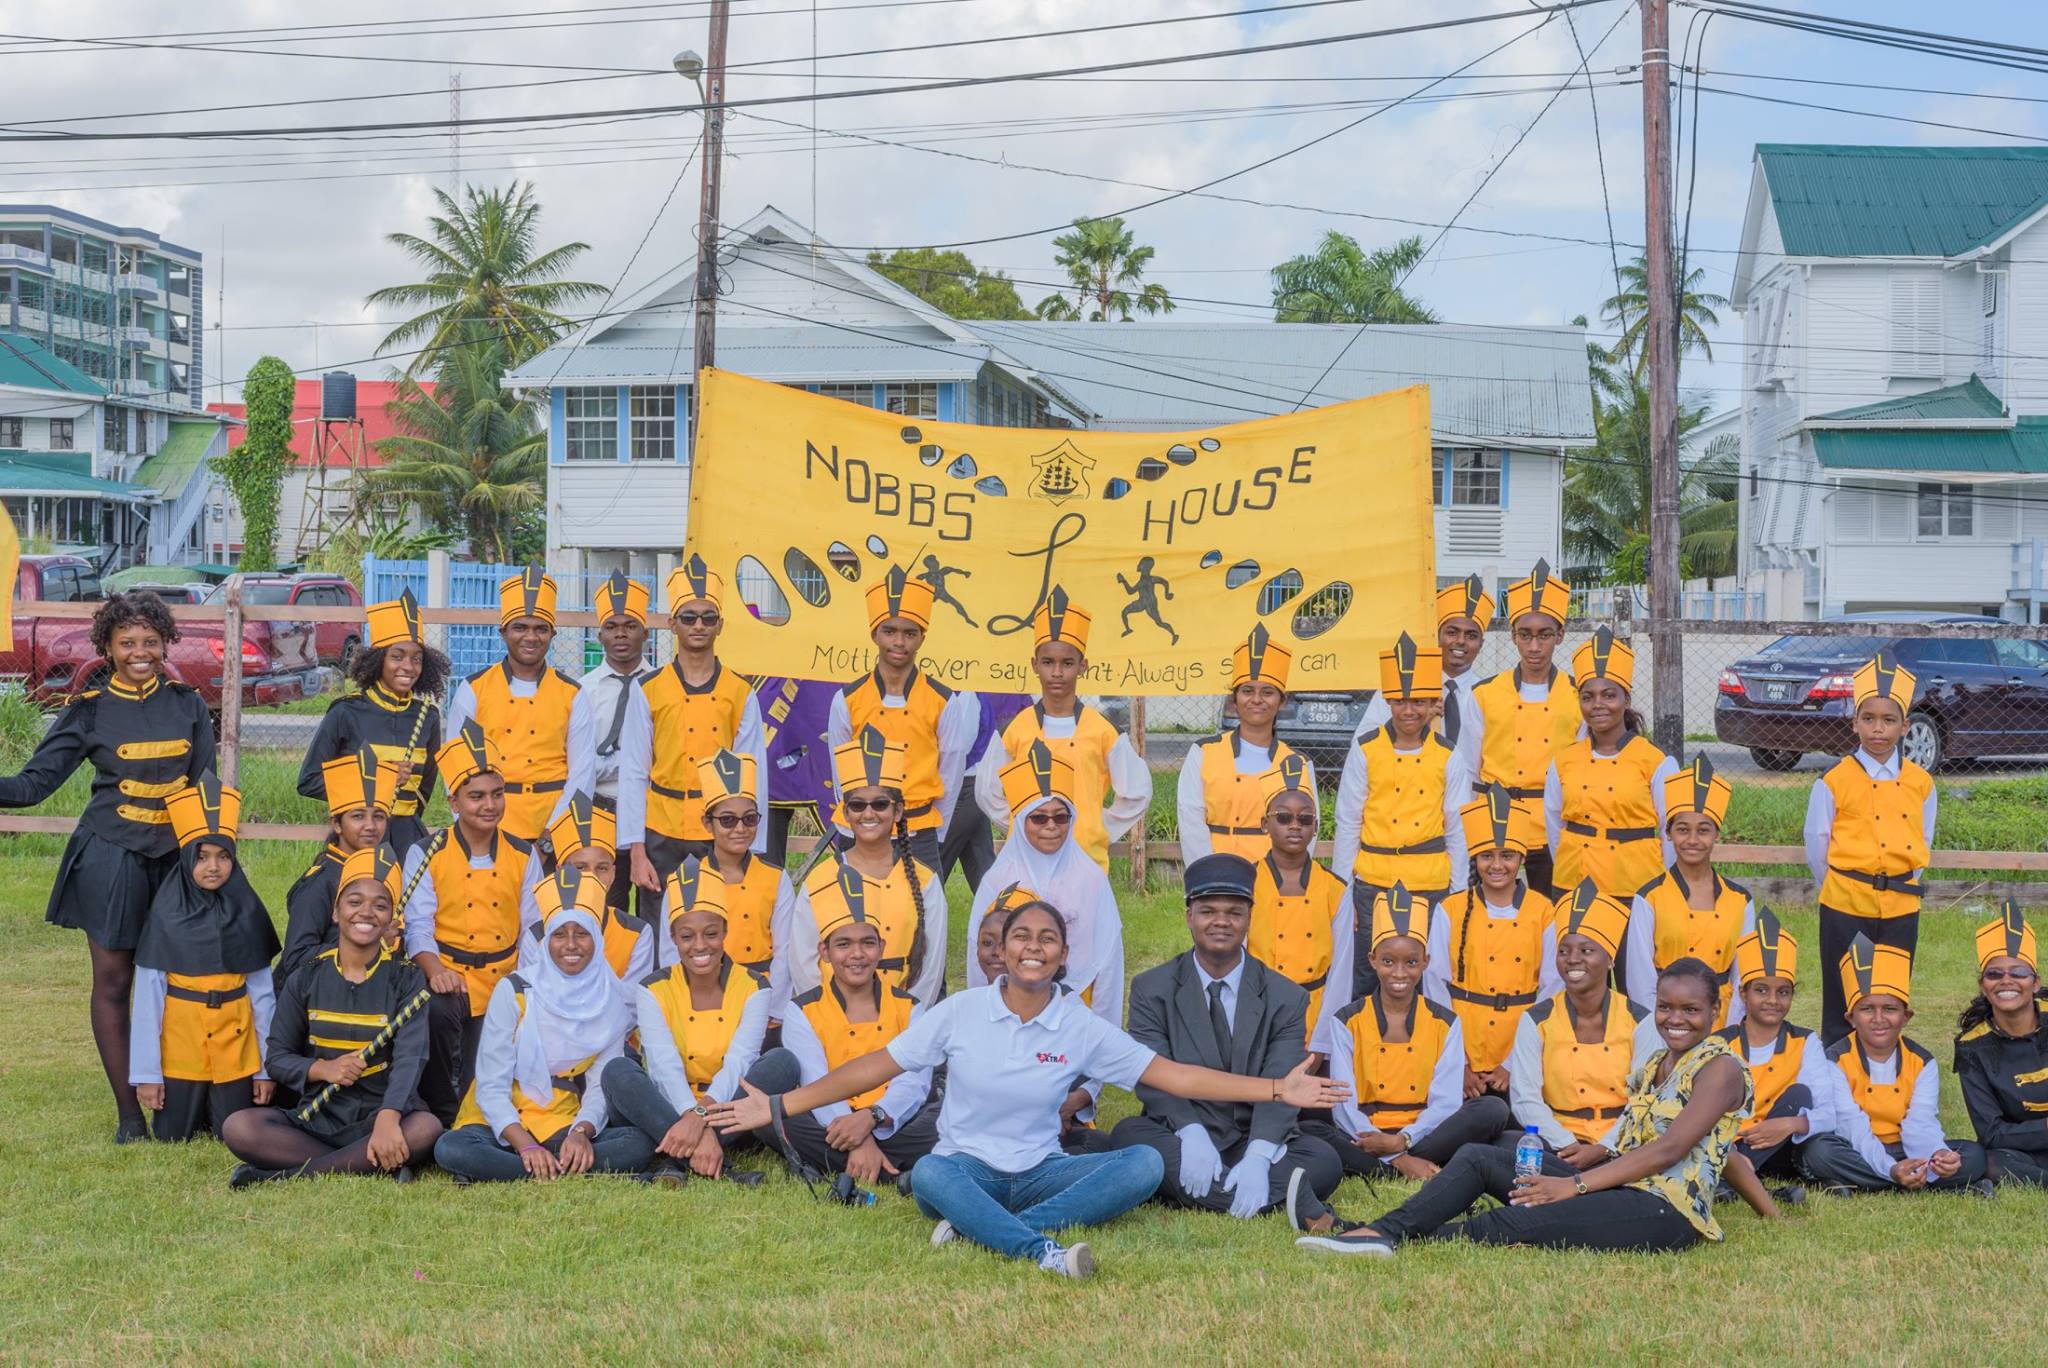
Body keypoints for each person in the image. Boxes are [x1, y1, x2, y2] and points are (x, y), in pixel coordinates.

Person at [709, 898, 1349, 1280]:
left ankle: (978, 1230)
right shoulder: (960, 1011)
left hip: (1043, 1170)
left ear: (1062, 956)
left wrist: (1276, 1088)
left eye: (1047, 939)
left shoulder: (1077, 1022)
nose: (1033, 947)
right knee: (930, 1175)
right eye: (1022, 936)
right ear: (1002, 952)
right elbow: (872, 1068)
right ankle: (1040, 1251)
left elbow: (1172, 1075)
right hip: (967, 1168)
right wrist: (777, 1105)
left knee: (1145, 1163)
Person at [1295, 958, 1767, 1255]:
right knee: (1480, 1158)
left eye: (1690, 1011)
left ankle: (1366, 1236)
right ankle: (1378, 1232)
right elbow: (1729, 1157)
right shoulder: (1659, 1062)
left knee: (1516, 1220)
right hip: (1619, 1182)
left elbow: (1670, 1149)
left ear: (1716, 1010)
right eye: (1666, 1007)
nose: (1674, 1019)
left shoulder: (1721, 1068)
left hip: (1664, 1213)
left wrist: (1574, 1186)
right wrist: (1773, 1215)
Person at [0, 590, 214, 1142]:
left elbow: (205, 785)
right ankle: (128, 1115)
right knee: (115, 981)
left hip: (177, 859)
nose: (139, 652)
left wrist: (209, 854)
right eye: (127, 643)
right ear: (109, 647)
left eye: (149, 641)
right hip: (111, 857)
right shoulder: (88, 710)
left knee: (181, 979)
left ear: (165, 642)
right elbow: (32, 786)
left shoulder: (189, 704)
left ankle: (183, 1101)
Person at [1112, 853, 1343, 1225]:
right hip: (1182, 1131)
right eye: (1208, 911)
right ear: (1189, 916)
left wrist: (1258, 1155)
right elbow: (1151, 1076)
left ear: (1249, 918)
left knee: (1325, 1159)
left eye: (1234, 912)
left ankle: (1203, 1191)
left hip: (1253, 1134)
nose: (1221, 921)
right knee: (1128, 1137)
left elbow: (1286, 1082)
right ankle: (1274, 1197)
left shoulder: (1286, 996)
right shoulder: (1151, 989)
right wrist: (1191, 1133)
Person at [222, 846, 444, 1187]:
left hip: (381, 1112)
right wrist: (323, 1069)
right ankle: (372, 1161)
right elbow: (278, 1057)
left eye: (380, 904)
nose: (366, 912)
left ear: (391, 919)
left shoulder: (407, 978)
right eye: (354, 901)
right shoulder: (307, 976)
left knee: (426, 1128)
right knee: (238, 1127)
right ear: (336, 912)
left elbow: (410, 1059)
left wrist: (388, 1117)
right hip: (320, 1116)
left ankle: (285, 1176)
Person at [434, 899, 655, 1182]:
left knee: (638, 1142)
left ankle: (530, 1168)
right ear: (547, 942)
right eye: (560, 934)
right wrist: (524, 1144)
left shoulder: (611, 1000)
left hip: (558, 1119)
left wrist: (580, 1133)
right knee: (451, 1147)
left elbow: (600, 1085)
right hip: (496, 1119)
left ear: (597, 940)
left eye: (582, 934)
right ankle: (550, 1167)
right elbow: (490, 1084)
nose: (571, 945)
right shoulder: (514, 990)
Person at [605, 858, 797, 1184]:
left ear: (725, 931)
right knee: (618, 1070)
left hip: (730, 1107)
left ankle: (673, 1157)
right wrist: (692, 1116)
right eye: (687, 936)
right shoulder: (652, 989)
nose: (700, 946)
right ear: (673, 938)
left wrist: (700, 1115)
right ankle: (709, 1153)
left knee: (782, 1062)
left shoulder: (755, 987)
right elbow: (664, 1066)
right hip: (669, 1101)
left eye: (710, 934)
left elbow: (740, 1062)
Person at [1306, 886, 1512, 1183]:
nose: (1399, 974)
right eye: (1388, 962)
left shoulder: (1446, 1022)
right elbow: (1343, 1106)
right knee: (1309, 1126)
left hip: (1425, 1132)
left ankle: (1386, 1165)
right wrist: (1396, 1153)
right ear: (1372, 959)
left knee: (1492, 1110)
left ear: (1425, 962)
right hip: (1366, 1133)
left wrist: (1402, 1141)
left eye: (1411, 963)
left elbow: (1445, 1103)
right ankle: (1405, 1165)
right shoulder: (1346, 1021)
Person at [402, 722, 546, 1123]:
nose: (489, 805)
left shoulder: (523, 854)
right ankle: (438, 1116)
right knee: (436, 1017)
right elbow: (418, 925)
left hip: (503, 978)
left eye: (497, 795)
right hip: (448, 977)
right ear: (453, 801)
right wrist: (436, 972)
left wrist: (522, 986)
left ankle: (470, 1120)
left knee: (484, 1074)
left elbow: (534, 928)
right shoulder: (427, 851)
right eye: (476, 796)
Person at [129, 775, 280, 1142]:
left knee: (234, 1131)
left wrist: (263, 1070)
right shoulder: (164, 916)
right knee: (172, 1135)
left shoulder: (248, 912)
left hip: (236, 1048)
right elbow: (149, 1002)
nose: (213, 867)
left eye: (223, 856)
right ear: (185, 858)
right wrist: (148, 1075)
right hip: (182, 1050)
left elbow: (262, 997)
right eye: (202, 856)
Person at [621, 557, 768, 918]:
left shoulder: (740, 692)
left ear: (721, 625)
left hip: (720, 829)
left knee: (718, 923)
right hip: (661, 829)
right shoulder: (648, 689)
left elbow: (754, 774)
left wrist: (753, 845)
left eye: (708, 617)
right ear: (672, 624)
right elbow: (634, 771)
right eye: (689, 617)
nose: (698, 625)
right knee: (659, 925)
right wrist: (636, 851)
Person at [1329, 633, 1469, 1004]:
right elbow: (1348, 822)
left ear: (1432, 704)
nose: (1410, 711)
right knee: (1367, 973)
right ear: (1390, 701)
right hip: (1373, 882)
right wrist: (1346, 892)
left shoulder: (1449, 755)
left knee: (1429, 975)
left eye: (1420, 702)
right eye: (1402, 701)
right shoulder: (1365, 749)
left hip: (1431, 883)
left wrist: (1458, 893)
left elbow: (1457, 829)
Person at [1803, 652, 1935, 1046]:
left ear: (1905, 726)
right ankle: (1837, 1064)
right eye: (1869, 719)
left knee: (1889, 992)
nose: (1879, 729)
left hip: (1901, 907)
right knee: (1843, 992)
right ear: (1855, 721)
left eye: (1889, 720)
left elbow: (1923, 839)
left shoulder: (1921, 783)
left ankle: (1885, 1066)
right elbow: (1817, 845)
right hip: (1845, 903)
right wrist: (1847, 883)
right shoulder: (1833, 780)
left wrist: (1896, 881)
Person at [973, 588, 1149, 874]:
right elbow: (986, 790)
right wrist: (1021, 822)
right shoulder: (1015, 729)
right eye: (1048, 662)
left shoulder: (1103, 731)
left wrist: (1095, 827)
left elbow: (1137, 791)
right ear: (1035, 665)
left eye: (1067, 663)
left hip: (1085, 861)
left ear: (1082, 666)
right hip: (1025, 862)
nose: (1057, 673)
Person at [1798, 934, 1985, 1195]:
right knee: (1819, 1150)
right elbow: (1851, 1124)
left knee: (1973, 1156)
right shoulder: (1834, 1060)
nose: (1878, 1019)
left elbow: (1920, 1122)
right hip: (1855, 1145)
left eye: (1889, 1009)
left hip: (1906, 1148)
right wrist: (1890, 1169)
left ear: (1906, 1016)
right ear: (1851, 1018)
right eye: (1866, 1009)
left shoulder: (1923, 1062)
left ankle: (1869, 1181)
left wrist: (1939, 1155)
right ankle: (1912, 1181)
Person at [1544, 628, 1676, 997]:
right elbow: (1555, 824)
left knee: (1634, 984)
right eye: (1588, 696)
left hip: (1633, 886)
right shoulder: (1564, 761)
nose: (1598, 704)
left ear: (1625, 699)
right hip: (1575, 885)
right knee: (1575, 981)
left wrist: (1654, 884)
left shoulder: (1655, 761)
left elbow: (1670, 830)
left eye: (1608, 695)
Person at [773, 904, 940, 1187]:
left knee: (943, 1117)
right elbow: (815, 1081)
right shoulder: (801, 1010)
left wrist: (872, 1118)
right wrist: (856, 1138)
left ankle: (846, 1163)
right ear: (824, 952)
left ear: (882, 947)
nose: (857, 954)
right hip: (829, 1121)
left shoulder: (910, 1006)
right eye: (843, 944)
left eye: (867, 943)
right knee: (776, 1115)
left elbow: (914, 1083)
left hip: (892, 1120)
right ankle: (891, 1170)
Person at [827, 563, 979, 869]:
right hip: (861, 831)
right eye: (890, 631)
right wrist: (859, 820)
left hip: (920, 831)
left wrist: (935, 834)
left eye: (909, 633)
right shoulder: (846, 700)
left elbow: (950, 772)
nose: (899, 642)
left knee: (922, 915)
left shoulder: (944, 701)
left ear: (922, 637)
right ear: (874, 634)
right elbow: (841, 773)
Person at [1419, 784, 1560, 1098]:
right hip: (1465, 1049)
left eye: (1507, 855)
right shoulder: (1450, 910)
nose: (1497, 866)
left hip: (1520, 1051)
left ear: (1521, 857)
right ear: (1474, 858)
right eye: (1487, 856)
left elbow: (1551, 990)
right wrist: (1459, 1062)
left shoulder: (1544, 912)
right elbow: (1436, 987)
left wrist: (1514, 1062)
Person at [790, 726, 947, 1006]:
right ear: (846, 813)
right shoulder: (820, 881)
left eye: (880, 804)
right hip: (832, 1021)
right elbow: (803, 963)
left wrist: (906, 1021)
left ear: (897, 811)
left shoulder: (926, 882)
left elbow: (931, 969)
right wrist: (831, 1019)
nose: (869, 813)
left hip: (904, 1026)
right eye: (858, 805)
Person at [1507, 880, 1660, 1167]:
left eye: (1586, 951)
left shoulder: (1641, 1020)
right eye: (1564, 951)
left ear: (1610, 959)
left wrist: (1603, 1147)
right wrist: (1568, 1144)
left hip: (1623, 1144)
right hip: (1556, 1144)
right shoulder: (1536, 1019)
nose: (1572, 960)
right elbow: (1524, 1098)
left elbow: (1644, 1101)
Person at [294, 589, 446, 856]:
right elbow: (309, 781)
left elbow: (424, 790)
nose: (408, 667)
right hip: (358, 841)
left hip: (409, 839)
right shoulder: (346, 712)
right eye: (397, 656)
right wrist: (379, 780)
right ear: (379, 660)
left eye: (416, 659)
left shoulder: (427, 717)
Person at [444, 567, 579, 843]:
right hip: (488, 827)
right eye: (520, 627)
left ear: (552, 635)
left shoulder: (573, 693)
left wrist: (552, 835)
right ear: (503, 632)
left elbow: (582, 773)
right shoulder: (473, 689)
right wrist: (472, 829)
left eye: (541, 629)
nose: (531, 637)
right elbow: (455, 765)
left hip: (553, 829)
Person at [1624, 755, 1755, 1028]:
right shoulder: (1648, 898)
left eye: (1703, 830)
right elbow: (1640, 979)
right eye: (1683, 830)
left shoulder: (1741, 901)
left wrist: (1729, 1030)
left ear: (1717, 834)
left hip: (1722, 1020)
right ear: (1669, 833)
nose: (1693, 840)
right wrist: (1661, 1028)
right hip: (1666, 1022)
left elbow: (1744, 976)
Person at [1471, 560, 1576, 896]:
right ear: (1513, 635)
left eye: (1544, 635)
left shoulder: (1578, 695)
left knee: (1552, 914)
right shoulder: (1485, 693)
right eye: (1525, 635)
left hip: (1554, 825)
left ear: (1560, 635)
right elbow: (1468, 765)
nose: (1534, 646)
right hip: (1497, 822)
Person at [1715, 908, 1832, 1186]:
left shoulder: (1805, 1042)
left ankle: (1735, 1178)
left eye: (1783, 992)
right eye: (1761, 990)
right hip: (1727, 1147)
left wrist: (1791, 1124)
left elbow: (1828, 1113)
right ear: (1743, 992)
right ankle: (1740, 1169)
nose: (1773, 1000)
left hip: (1781, 1144)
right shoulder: (1719, 1043)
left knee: (1800, 1094)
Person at [1178, 626, 1312, 865]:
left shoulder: (1296, 763)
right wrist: (1207, 876)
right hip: (1215, 873)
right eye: (1248, 691)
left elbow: (1307, 830)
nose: (1257, 700)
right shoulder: (1203, 752)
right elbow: (1190, 821)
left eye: (1268, 692)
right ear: (1234, 699)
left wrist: (1285, 877)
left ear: (1282, 701)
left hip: (1274, 878)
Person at [565, 570, 653, 909]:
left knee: (653, 906)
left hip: (651, 814)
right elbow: (580, 764)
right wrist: (628, 763)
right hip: (601, 811)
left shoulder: (660, 686)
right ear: (599, 634)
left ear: (645, 632)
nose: (621, 635)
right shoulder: (584, 691)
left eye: (630, 626)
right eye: (612, 627)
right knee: (604, 906)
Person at [277, 751, 397, 986]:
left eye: (379, 817)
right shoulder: (321, 881)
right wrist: (370, 943)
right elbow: (296, 958)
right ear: (337, 824)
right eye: (358, 816)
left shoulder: (383, 869)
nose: (370, 826)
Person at [692, 749, 796, 1017]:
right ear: (707, 823)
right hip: (704, 1001)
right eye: (727, 820)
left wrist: (772, 1008)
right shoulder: (686, 880)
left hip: (762, 996)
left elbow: (786, 951)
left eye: (749, 819)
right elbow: (672, 954)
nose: (740, 828)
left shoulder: (776, 878)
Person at [1250, 756, 1344, 1045]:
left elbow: (1342, 970)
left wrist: (1323, 1040)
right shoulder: (1245, 883)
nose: (1295, 826)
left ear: (1315, 827)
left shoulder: (1336, 889)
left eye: (1304, 819)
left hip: (1316, 1012)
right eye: (1283, 817)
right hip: (1260, 1007)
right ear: (1265, 823)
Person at [1954, 902, 2048, 1187]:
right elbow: (1991, 1133)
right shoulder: (1972, 1048)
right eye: (1995, 974)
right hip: (2023, 1151)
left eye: (2018, 972)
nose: (2007, 980)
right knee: (1988, 1160)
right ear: (1983, 985)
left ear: (2034, 982)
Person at [522, 795, 655, 985]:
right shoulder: (536, 936)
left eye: (602, 868)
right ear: (559, 872)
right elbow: (529, 999)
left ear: (613, 873)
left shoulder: (636, 933)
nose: (591, 877)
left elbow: (631, 1003)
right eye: (580, 868)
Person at [942, 691, 1028, 893]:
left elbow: (959, 751)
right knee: (983, 870)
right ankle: (1004, 915)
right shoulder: (959, 694)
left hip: (963, 787)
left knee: (934, 864)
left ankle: (917, 916)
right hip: (966, 788)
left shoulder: (964, 695)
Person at [1431, 573, 1494, 781]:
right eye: (1452, 632)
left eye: (1471, 636)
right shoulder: (1406, 687)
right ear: (1437, 635)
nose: (1460, 641)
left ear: (1481, 645)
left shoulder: (1489, 695)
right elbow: (1366, 742)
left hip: (1470, 799)